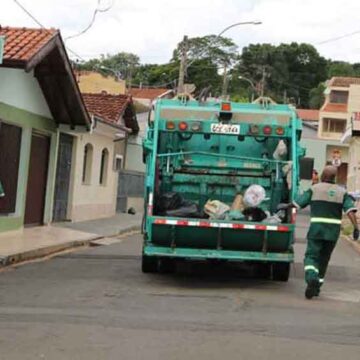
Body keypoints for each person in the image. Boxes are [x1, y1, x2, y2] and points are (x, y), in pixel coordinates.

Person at [293, 165, 359, 299]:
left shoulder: (314, 189)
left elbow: (298, 203)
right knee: (324, 259)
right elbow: (350, 211)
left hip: (316, 230)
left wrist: (286, 206)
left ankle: (312, 278)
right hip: (332, 233)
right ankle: (317, 287)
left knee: (311, 256)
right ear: (334, 177)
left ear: (323, 175)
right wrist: (356, 228)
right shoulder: (342, 193)